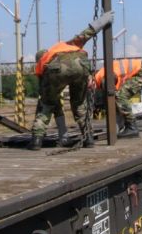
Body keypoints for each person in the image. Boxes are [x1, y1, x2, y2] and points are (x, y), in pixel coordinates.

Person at [28, 11, 114, 150]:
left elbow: (45, 95)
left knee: (46, 104)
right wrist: (103, 20)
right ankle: (88, 139)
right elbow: (86, 33)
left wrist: (48, 102)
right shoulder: (66, 45)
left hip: (57, 69)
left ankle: (36, 141)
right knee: (79, 104)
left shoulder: (42, 64)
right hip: (81, 64)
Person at [94, 58, 142, 138]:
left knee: (120, 96)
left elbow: (112, 95)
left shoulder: (103, 77)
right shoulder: (100, 76)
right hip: (140, 70)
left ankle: (132, 127)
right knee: (118, 98)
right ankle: (122, 127)